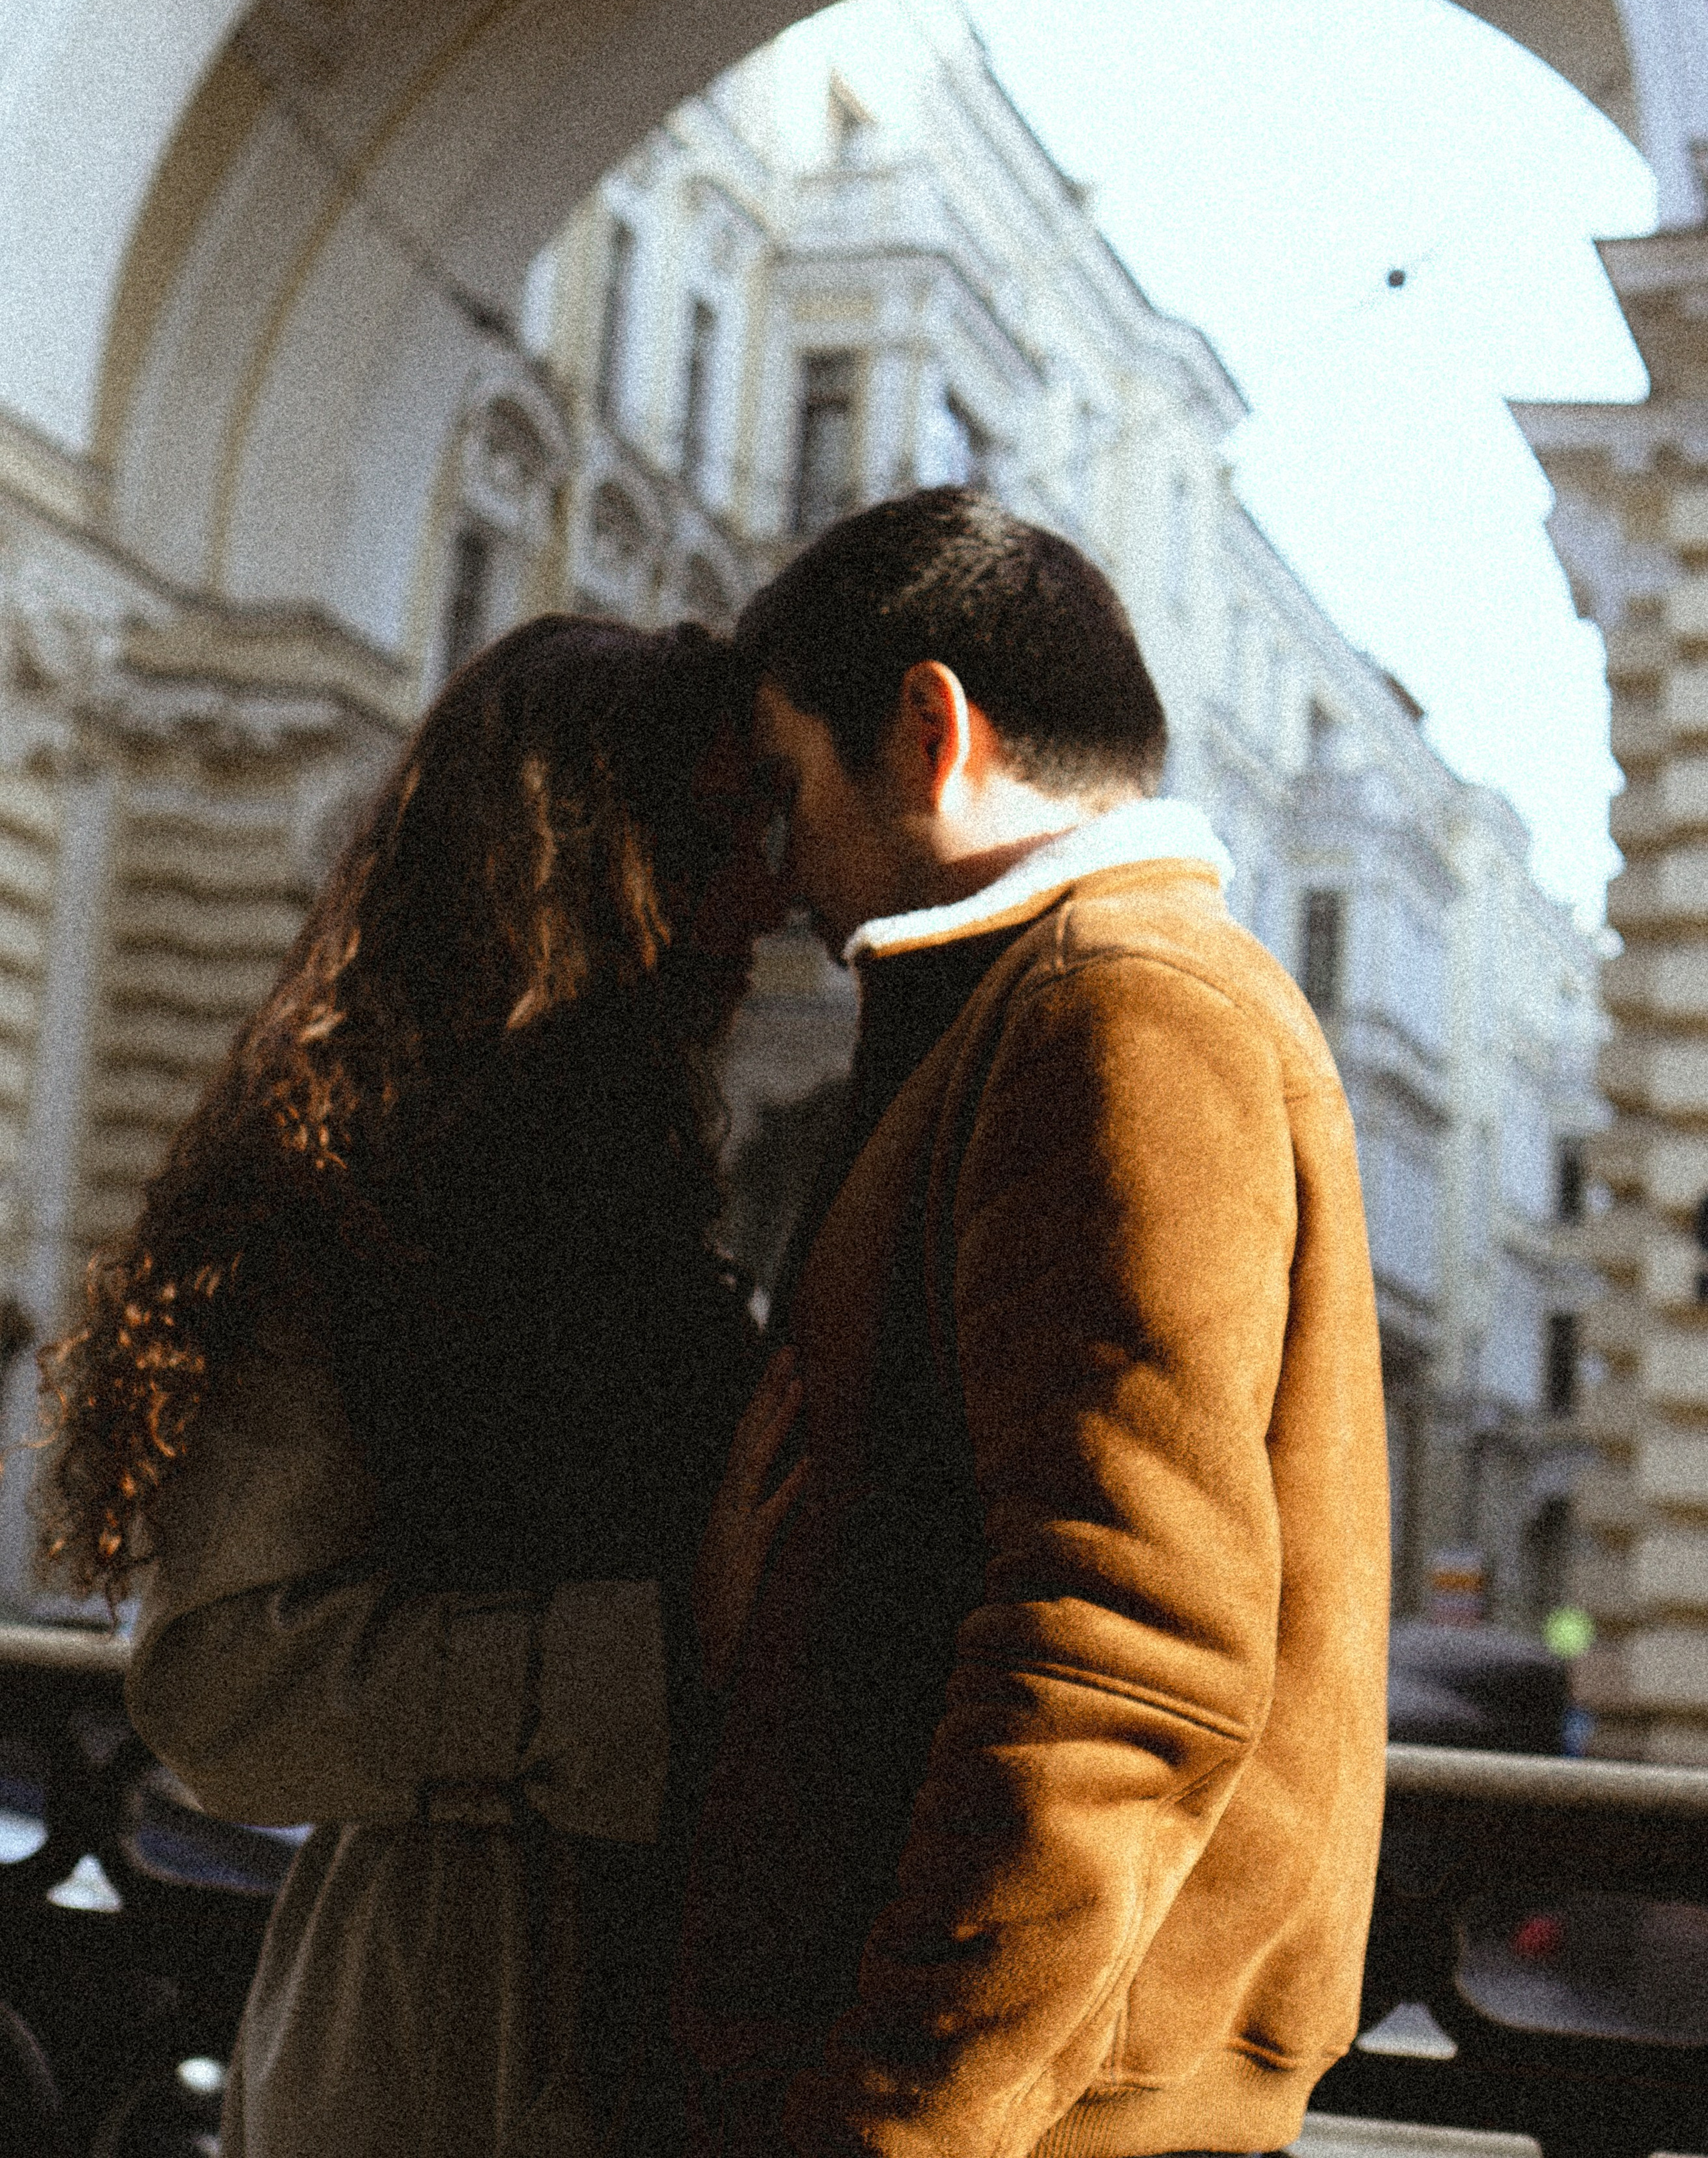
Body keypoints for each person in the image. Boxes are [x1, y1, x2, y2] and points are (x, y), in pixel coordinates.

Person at [677, 489, 1390, 2158]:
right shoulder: (1073, 991)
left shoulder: (1107, 1001)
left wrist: (901, 2124)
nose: (777, 874)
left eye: (786, 791)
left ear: (928, 729)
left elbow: (1123, 1659)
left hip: (1030, 2116)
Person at [37, 613, 805, 2158]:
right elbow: (224, 1690)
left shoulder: (616, 1172)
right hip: (453, 2022)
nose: (775, 885)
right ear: (595, 856)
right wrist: (667, 1646)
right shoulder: (355, 1185)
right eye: (724, 831)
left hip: (633, 1996)